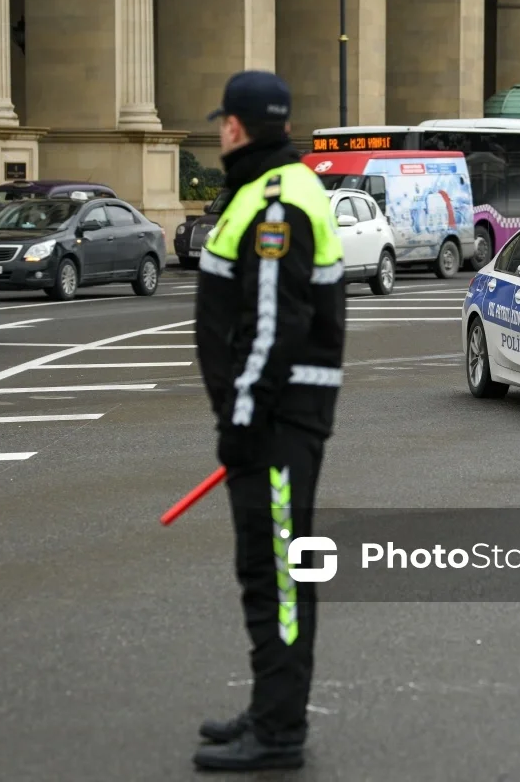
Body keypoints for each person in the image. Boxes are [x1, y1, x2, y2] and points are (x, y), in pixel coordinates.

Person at [191, 70, 346, 773]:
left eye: (224, 120)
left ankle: (280, 731)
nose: (221, 128)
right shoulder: (270, 190)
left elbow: (271, 326)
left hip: (278, 422)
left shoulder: (275, 202)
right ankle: (268, 709)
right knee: (268, 569)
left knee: (278, 575)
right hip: (278, 418)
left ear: (236, 126)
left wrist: (243, 419)